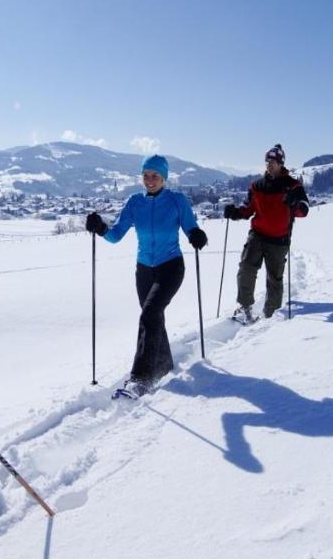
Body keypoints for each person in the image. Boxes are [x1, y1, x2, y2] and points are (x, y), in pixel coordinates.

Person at [85, 155, 208, 398]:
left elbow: (190, 226)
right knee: (154, 318)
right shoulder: (134, 202)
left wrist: (197, 235)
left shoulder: (176, 200)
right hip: (144, 270)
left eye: (155, 176)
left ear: (164, 178)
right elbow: (116, 234)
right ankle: (163, 365)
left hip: (171, 266)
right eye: (146, 175)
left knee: (149, 314)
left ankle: (141, 379)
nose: (149, 180)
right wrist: (100, 227)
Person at [223, 143, 309, 323]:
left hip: (279, 240)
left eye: (273, 161)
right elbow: (248, 209)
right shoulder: (257, 186)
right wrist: (235, 212)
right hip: (258, 235)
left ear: (281, 163)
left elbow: (304, 210)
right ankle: (244, 307)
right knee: (246, 268)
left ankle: (272, 315)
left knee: (274, 279)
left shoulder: (293, 186)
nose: (269, 164)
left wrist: (295, 203)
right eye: (267, 161)